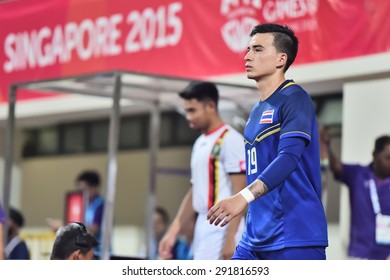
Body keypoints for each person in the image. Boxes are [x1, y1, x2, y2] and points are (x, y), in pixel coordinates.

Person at [207, 23, 328, 260]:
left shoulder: (295, 98)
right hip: (255, 237)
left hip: (295, 235)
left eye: (258, 49)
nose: (247, 55)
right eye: (249, 49)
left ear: (281, 59)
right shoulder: (255, 111)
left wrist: (242, 197)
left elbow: (288, 158)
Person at [159, 81, 247, 260]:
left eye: (192, 110)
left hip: (224, 226)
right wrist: (173, 230)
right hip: (202, 224)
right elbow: (195, 190)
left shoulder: (230, 139)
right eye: (186, 111)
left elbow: (241, 191)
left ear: (211, 106)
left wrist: (231, 237)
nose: (188, 117)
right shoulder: (199, 143)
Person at [320, 129, 390, 260]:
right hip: (359, 255)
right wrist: (327, 145)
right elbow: (336, 166)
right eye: (388, 158)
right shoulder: (358, 174)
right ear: (374, 154)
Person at [47, 170, 104, 257]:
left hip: (97, 253)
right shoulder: (82, 205)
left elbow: (93, 230)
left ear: (94, 187)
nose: (80, 193)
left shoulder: (100, 205)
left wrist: (63, 227)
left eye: (84, 189)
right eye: (79, 190)